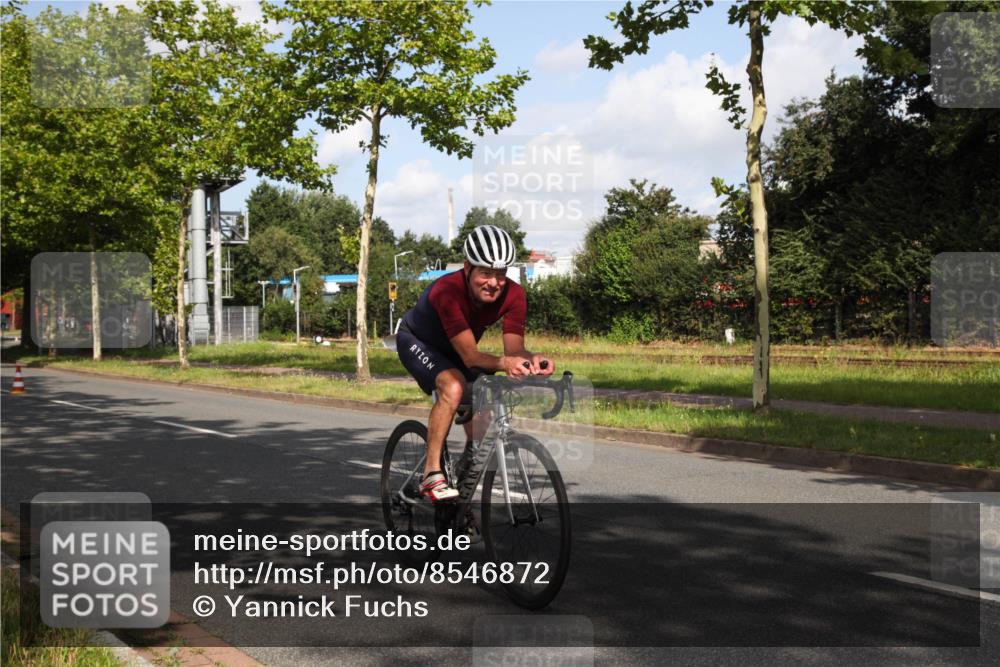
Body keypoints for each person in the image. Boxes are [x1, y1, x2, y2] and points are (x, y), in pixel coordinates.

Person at [396, 225, 554, 502]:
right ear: (468, 268)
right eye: (486, 273)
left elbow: (514, 349)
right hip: (418, 342)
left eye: (501, 275)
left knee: (484, 408)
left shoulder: (514, 295)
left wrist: (533, 361)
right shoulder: (447, 291)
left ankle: (463, 489)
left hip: (458, 348)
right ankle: (431, 474)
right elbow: (470, 357)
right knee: (454, 387)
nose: (493, 283)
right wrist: (505, 363)